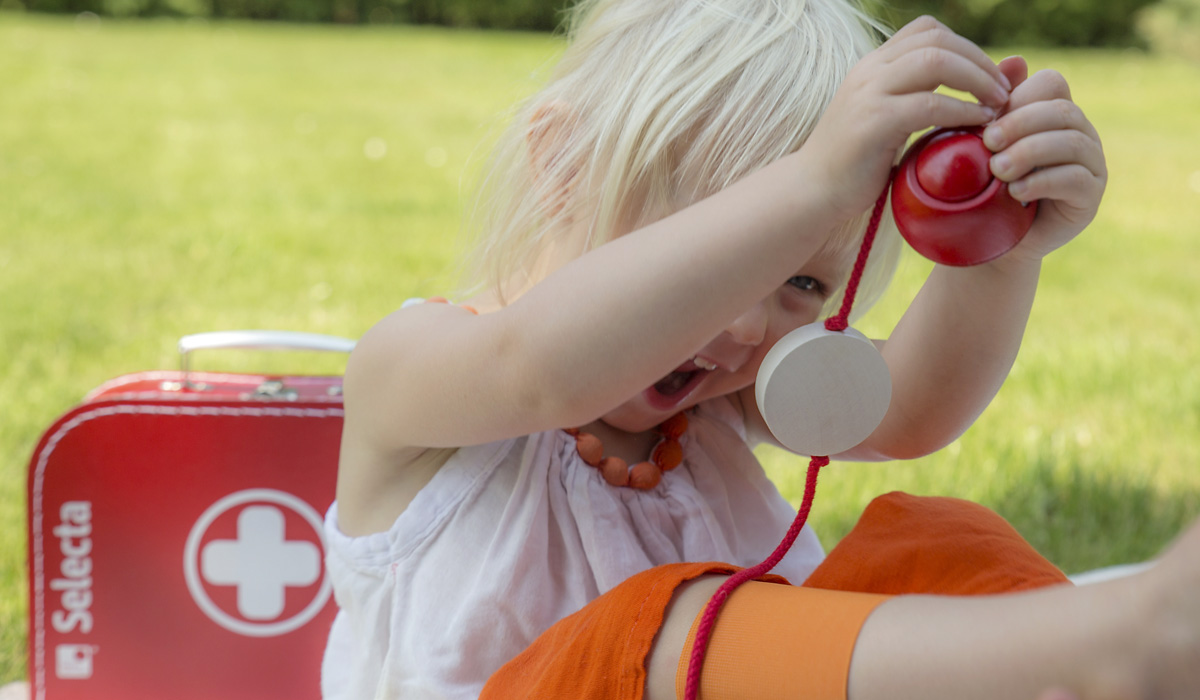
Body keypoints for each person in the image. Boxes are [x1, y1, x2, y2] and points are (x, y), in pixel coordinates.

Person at [320, 0, 1199, 699]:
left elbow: (914, 409)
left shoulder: (717, 403)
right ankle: (1110, 639)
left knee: (937, 544)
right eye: (722, 252)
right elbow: (541, 371)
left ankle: (1097, 671)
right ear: (561, 169)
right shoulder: (417, 371)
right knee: (659, 626)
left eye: (802, 285)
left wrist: (1000, 253)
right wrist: (815, 184)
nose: (748, 328)